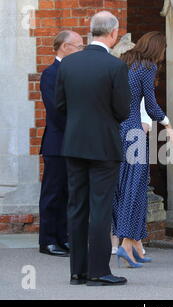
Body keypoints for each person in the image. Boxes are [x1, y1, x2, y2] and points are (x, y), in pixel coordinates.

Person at [55, 11, 131, 286]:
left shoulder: (68, 64)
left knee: (77, 207)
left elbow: (60, 106)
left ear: (91, 32)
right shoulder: (115, 67)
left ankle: (78, 272)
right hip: (103, 146)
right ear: (113, 33)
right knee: (100, 208)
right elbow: (123, 111)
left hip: (74, 144)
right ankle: (98, 271)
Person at [112, 31, 173, 267]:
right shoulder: (147, 67)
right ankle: (126, 245)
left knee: (125, 186)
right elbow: (150, 103)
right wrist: (168, 125)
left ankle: (135, 243)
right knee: (135, 188)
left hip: (117, 131)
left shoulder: (125, 61)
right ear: (157, 48)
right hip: (134, 132)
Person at [39, 30, 84, 257]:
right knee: (53, 193)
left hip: (72, 142)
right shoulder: (51, 73)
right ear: (65, 47)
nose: (81, 50)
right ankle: (47, 240)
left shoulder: (72, 73)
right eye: (78, 46)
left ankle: (62, 238)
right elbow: (56, 111)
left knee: (68, 193)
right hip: (57, 144)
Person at [110, 34, 151, 256]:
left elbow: (146, 109)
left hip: (135, 138)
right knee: (117, 189)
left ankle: (133, 240)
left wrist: (145, 125)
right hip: (118, 139)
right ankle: (117, 240)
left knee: (135, 190)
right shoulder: (114, 81)